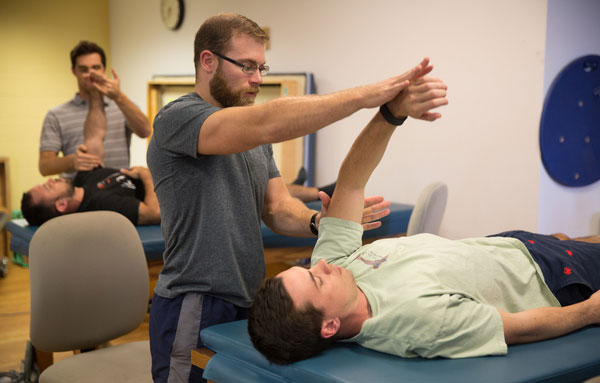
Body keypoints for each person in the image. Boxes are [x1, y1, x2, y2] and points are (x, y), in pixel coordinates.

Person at [146, 13, 447, 383]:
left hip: (251, 300)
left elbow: (276, 207)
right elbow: (266, 122)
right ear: (208, 61)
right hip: (195, 301)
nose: (258, 78)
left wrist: (318, 222)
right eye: (247, 66)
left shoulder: (255, 141)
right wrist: (366, 97)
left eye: (261, 67)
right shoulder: (178, 119)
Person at [248, 84, 600, 363]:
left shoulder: (338, 268)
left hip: (509, 246)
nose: (322, 264)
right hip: (549, 278)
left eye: (310, 267)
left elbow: (352, 181)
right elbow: (518, 329)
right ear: (330, 326)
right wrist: (587, 312)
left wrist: (391, 113)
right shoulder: (413, 323)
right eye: (315, 279)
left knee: (574, 237)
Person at [22, 96, 159, 227]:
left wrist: (95, 93)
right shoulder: (101, 208)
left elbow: (95, 137)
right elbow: (154, 214)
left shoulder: (82, 178)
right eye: (48, 187)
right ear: (61, 205)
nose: (51, 180)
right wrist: (146, 175)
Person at [39, 40, 150, 179]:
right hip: (76, 195)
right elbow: (45, 166)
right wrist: (73, 161)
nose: (90, 74)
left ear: (104, 69)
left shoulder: (122, 106)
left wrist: (119, 97)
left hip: (119, 192)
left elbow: (145, 131)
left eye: (96, 68)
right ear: (74, 71)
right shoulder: (56, 115)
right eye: (83, 69)